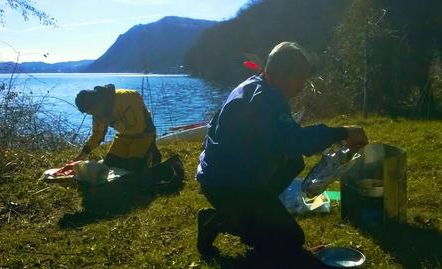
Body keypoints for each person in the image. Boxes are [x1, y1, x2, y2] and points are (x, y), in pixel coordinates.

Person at [195, 42, 368, 264]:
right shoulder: (267, 100)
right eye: (301, 78)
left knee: (293, 162)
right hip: (228, 184)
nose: (303, 85)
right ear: (284, 73)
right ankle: (222, 220)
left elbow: (280, 142)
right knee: (291, 239)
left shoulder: (253, 85)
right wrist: (343, 132)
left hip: (219, 175)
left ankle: (249, 216)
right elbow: (299, 141)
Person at [74, 84, 183, 191]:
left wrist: (113, 123)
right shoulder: (97, 110)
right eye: (89, 113)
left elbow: (139, 127)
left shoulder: (128, 97)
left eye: (92, 110)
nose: (93, 114)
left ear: (97, 101)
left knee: (134, 167)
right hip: (123, 137)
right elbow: (98, 134)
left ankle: (152, 153)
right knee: (110, 164)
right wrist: (82, 155)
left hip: (144, 135)